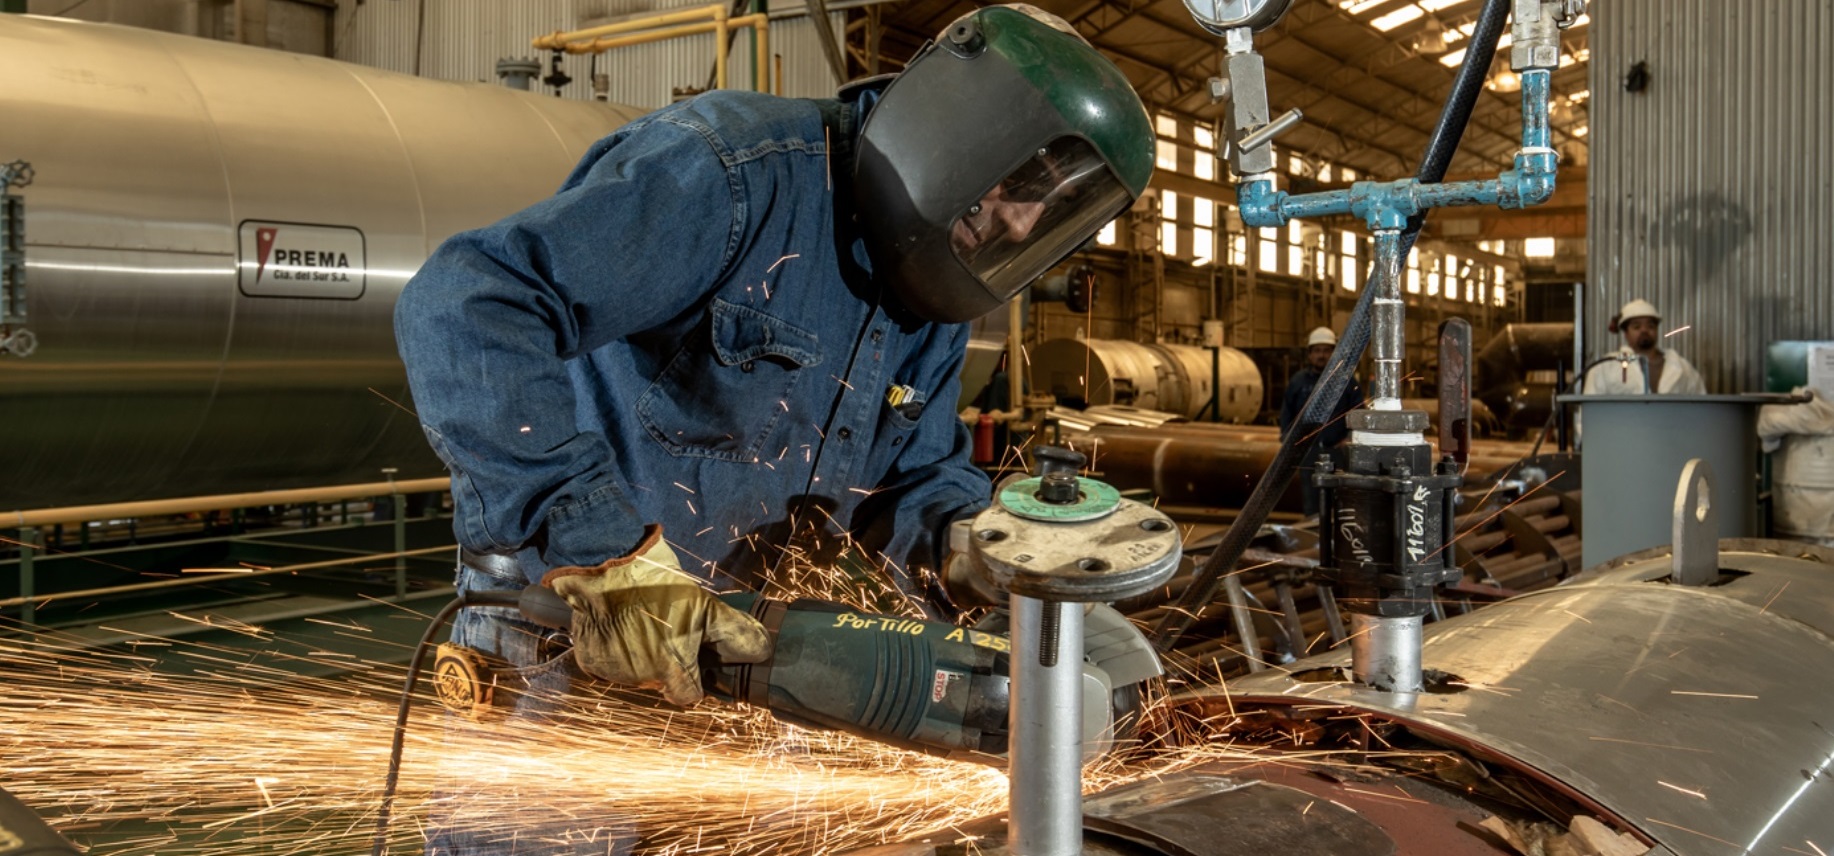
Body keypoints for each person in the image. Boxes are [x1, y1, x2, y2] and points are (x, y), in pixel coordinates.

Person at [394, 7, 1151, 850]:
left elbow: (910, 477)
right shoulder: (731, 171)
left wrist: (967, 542)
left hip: (756, 669)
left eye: (1047, 206)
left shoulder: (937, 290)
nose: (1019, 223)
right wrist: (603, 553)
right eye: (1019, 182)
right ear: (955, 127)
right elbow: (466, 305)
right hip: (572, 652)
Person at [1278, 326, 1365, 517]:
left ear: (1334, 352)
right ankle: (1316, 539)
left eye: (1326, 350)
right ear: (1309, 354)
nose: (1321, 355)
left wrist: (1350, 438)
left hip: (1338, 453)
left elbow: (1359, 412)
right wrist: (1288, 442)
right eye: (1317, 350)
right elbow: (1286, 414)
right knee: (1311, 503)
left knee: (1341, 502)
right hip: (1308, 453)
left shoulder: (1347, 381)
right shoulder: (1298, 382)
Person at [1581, 298, 1707, 395]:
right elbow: (1587, 413)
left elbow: (1701, 405)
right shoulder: (1606, 367)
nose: (1644, 330)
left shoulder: (1681, 368)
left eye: (1650, 326)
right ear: (1626, 333)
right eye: (1636, 327)